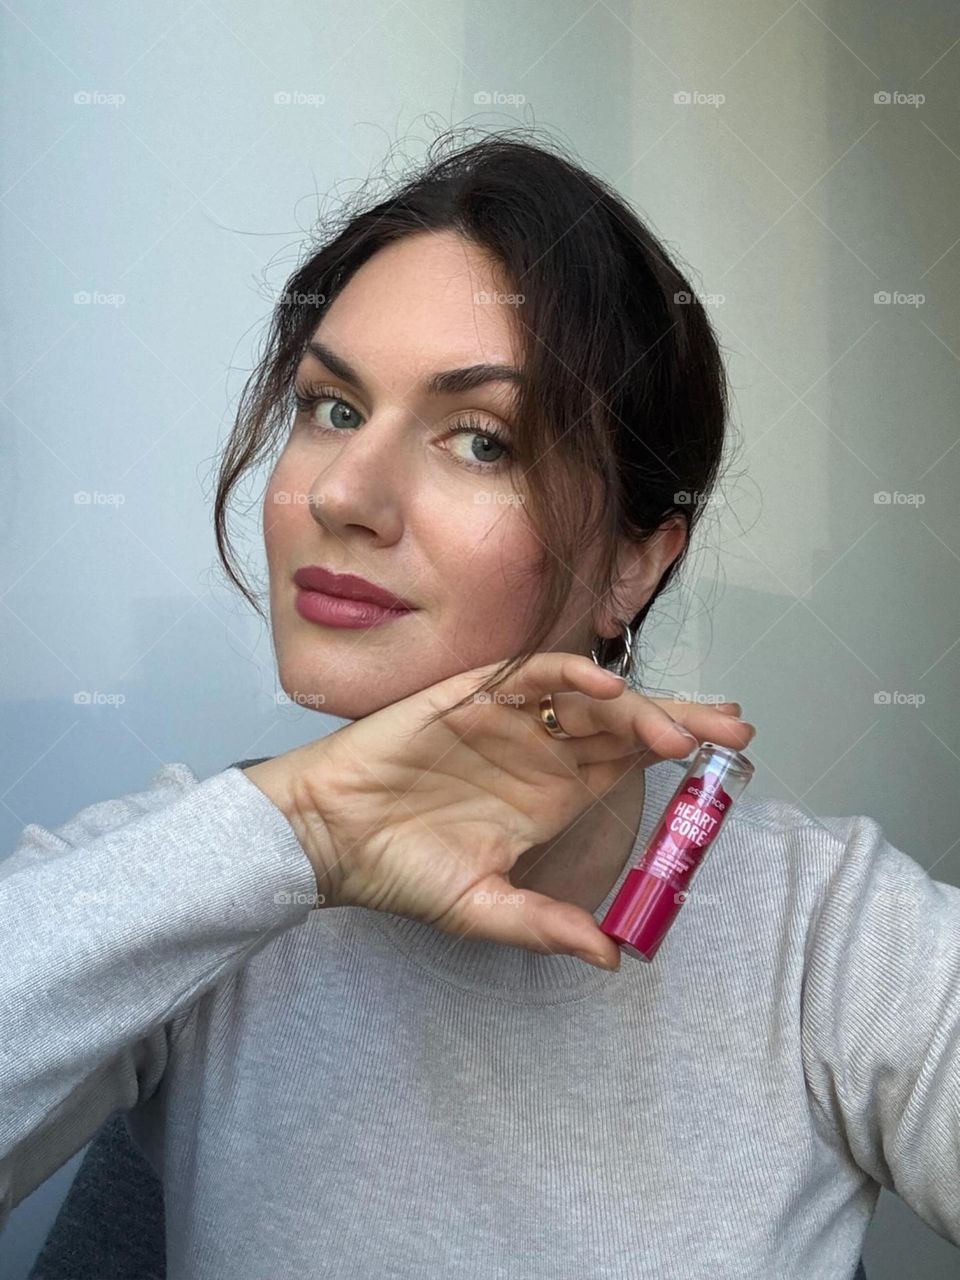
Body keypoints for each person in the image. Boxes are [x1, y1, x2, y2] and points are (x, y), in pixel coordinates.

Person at [2, 130, 957, 1280]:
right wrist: (303, 834)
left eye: (480, 440)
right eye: (333, 407)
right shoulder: (205, 878)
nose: (343, 493)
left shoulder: (829, 942)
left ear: (633, 564)